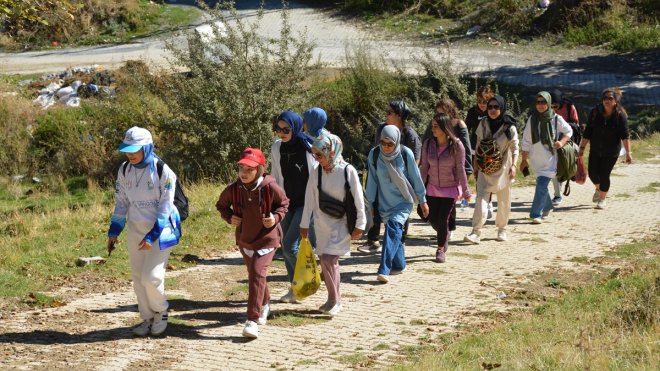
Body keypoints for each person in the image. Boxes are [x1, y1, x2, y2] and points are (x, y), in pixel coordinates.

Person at [107, 126, 181, 337]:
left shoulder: (162, 170)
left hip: (161, 230)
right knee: (138, 278)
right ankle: (147, 317)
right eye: (127, 149)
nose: (130, 154)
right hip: (135, 229)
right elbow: (121, 202)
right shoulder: (124, 170)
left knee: (152, 277)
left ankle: (161, 311)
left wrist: (152, 236)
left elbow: (165, 207)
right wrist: (114, 230)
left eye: (135, 149)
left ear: (147, 148)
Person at [216, 148, 289, 338]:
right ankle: (265, 304)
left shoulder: (270, 186)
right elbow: (221, 205)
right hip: (245, 239)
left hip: (268, 238)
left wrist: (275, 217)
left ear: (260, 169)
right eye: (241, 168)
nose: (244, 173)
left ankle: (251, 320)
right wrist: (229, 217)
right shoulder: (234, 189)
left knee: (257, 273)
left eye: (250, 169)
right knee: (256, 275)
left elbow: (284, 203)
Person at [300, 133, 366, 316]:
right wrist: (304, 224)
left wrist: (360, 224)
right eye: (314, 155)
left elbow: (359, 200)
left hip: (342, 224)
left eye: (319, 155)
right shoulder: (317, 171)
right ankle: (332, 298)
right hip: (321, 225)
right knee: (325, 262)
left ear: (331, 151)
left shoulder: (347, 171)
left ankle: (335, 300)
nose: (316, 159)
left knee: (329, 260)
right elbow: (309, 199)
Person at [366, 125, 428, 283]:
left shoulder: (405, 153)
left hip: (404, 201)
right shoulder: (374, 154)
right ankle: (399, 265)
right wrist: (370, 204)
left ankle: (384, 269)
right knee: (394, 233)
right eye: (383, 143)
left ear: (397, 142)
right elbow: (372, 181)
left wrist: (422, 200)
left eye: (390, 144)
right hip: (385, 202)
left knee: (392, 228)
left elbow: (416, 178)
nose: (386, 147)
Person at [359, 100, 422, 254]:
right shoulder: (382, 128)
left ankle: (399, 242)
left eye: (390, 112)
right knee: (375, 207)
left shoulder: (410, 134)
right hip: (381, 177)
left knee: (401, 212)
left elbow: (415, 159)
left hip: (401, 182)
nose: (386, 115)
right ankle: (373, 240)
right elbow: (378, 151)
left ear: (399, 116)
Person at [270, 111, 316, 303]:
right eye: (278, 129)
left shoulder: (307, 148)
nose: (281, 133)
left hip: (306, 203)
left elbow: (315, 178)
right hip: (286, 203)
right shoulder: (277, 147)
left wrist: (314, 206)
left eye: (286, 129)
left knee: (290, 246)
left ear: (295, 127)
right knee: (285, 245)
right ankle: (295, 289)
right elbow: (276, 175)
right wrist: (275, 202)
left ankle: (309, 281)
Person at [464, 96, 519, 244]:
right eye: (490, 107)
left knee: (503, 201)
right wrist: (475, 164)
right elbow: (478, 145)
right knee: (481, 198)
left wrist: (514, 166)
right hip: (484, 166)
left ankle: (502, 229)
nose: (493, 110)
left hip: (503, 168)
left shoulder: (509, 126)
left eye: (496, 107)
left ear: (501, 108)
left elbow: (515, 148)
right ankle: (476, 232)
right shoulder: (483, 123)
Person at [420, 113, 471, 263]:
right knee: (432, 219)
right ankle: (445, 232)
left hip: (450, 189)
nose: (432, 129)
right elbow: (424, 168)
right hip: (432, 188)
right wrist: (420, 189)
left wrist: (466, 191)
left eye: (436, 126)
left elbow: (461, 169)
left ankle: (440, 249)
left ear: (444, 127)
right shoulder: (428, 144)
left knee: (442, 220)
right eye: (432, 126)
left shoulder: (457, 145)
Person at [520, 91, 573, 224]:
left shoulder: (556, 118)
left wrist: (561, 142)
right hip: (535, 159)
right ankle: (548, 206)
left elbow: (569, 131)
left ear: (549, 103)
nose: (541, 105)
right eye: (538, 102)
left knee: (542, 184)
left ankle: (535, 214)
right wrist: (524, 160)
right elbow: (526, 140)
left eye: (543, 102)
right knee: (541, 185)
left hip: (551, 159)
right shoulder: (532, 119)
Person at [579, 88, 632, 209]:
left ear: (615, 101)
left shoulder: (620, 115)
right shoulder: (594, 112)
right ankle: (599, 189)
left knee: (604, 175)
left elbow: (625, 135)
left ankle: (602, 199)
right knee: (592, 174)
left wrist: (628, 153)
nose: (607, 100)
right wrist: (582, 147)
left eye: (610, 98)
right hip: (595, 149)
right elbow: (588, 132)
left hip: (611, 151)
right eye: (605, 98)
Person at [465, 85, 495, 219]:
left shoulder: (493, 110)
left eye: (485, 102)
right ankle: (482, 205)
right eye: (480, 101)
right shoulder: (473, 112)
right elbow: (466, 129)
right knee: (478, 176)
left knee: (488, 176)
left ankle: (489, 203)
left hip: (490, 149)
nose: (482, 105)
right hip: (475, 148)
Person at [549, 88, 581, 206]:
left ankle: (571, 174)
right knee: (555, 168)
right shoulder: (544, 108)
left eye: (556, 106)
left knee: (563, 164)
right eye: (551, 106)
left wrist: (563, 126)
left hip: (568, 140)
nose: (553, 109)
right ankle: (557, 195)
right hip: (553, 142)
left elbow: (576, 125)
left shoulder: (569, 107)